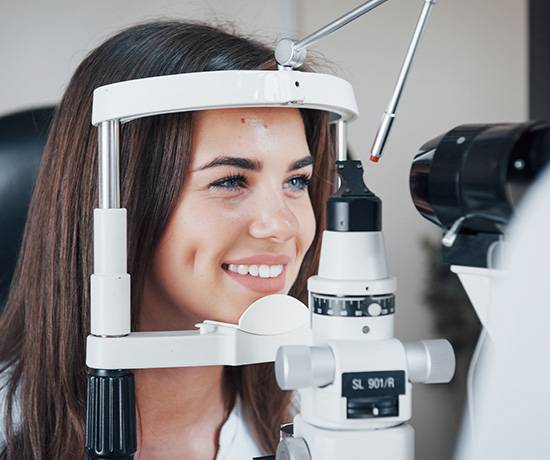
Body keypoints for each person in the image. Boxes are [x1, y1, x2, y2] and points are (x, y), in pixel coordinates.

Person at [0, 21, 334, 459]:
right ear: (120, 199)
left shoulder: (319, 414)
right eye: (231, 180)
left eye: (296, 180)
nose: (281, 226)